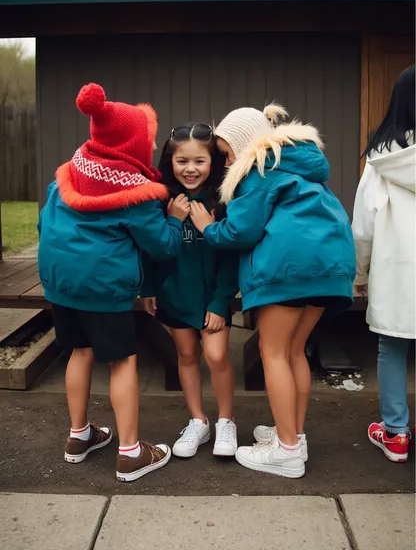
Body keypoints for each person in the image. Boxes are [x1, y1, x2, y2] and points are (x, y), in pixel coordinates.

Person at [190, 104, 356, 478]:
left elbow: (239, 232)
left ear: (246, 143)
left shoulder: (259, 168)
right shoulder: (300, 165)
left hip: (289, 267)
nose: (228, 159)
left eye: (227, 151)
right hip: (330, 266)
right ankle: (293, 435)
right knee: (295, 350)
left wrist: (205, 227)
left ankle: (285, 452)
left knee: (274, 352)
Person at [38, 83, 188, 482]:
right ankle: (131, 452)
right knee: (123, 361)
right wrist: (174, 218)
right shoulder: (136, 193)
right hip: (103, 286)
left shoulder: (69, 172)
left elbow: (43, 221)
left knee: (79, 352)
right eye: (149, 138)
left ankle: (78, 436)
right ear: (132, 143)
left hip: (61, 282)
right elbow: (163, 246)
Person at [141, 123, 239, 458]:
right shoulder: (161, 199)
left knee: (216, 355)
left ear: (213, 162)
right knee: (185, 356)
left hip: (212, 298)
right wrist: (149, 287)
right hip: (175, 293)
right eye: (182, 161)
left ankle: (226, 421)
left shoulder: (223, 200)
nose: (191, 169)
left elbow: (231, 258)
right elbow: (153, 250)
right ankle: (198, 420)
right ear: (170, 161)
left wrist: (222, 301)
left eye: (200, 161)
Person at [352, 65, 415, 463]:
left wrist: (360, 275)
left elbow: (363, 228)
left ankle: (395, 434)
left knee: (392, 348)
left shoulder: (382, 161)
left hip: (398, 274)